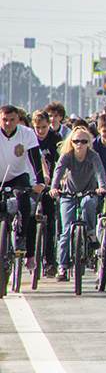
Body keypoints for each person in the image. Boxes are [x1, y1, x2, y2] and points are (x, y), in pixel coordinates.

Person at [49, 126, 106, 282]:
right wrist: (54, 188)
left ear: (88, 142)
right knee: (66, 230)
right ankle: (62, 266)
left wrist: (102, 187)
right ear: (72, 142)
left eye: (83, 141)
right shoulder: (67, 157)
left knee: (89, 204)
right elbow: (58, 172)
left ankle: (90, 231)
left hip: (89, 192)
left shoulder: (93, 156)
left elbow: (100, 172)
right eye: (76, 141)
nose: (80, 144)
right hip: (69, 194)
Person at [0, 105, 47, 267]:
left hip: (18, 176)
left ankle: (20, 238)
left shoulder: (26, 134)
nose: (8, 123)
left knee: (24, 202)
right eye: (4, 120)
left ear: (18, 120)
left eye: (12, 120)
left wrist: (40, 182)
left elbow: (35, 158)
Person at [32, 110, 62, 276]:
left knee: (50, 221)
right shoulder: (31, 138)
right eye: (38, 127)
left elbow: (61, 160)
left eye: (44, 127)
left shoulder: (56, 138)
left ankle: (49, 261)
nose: (41, 131)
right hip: (34, 183)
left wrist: (59, 180)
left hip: (51, 184)